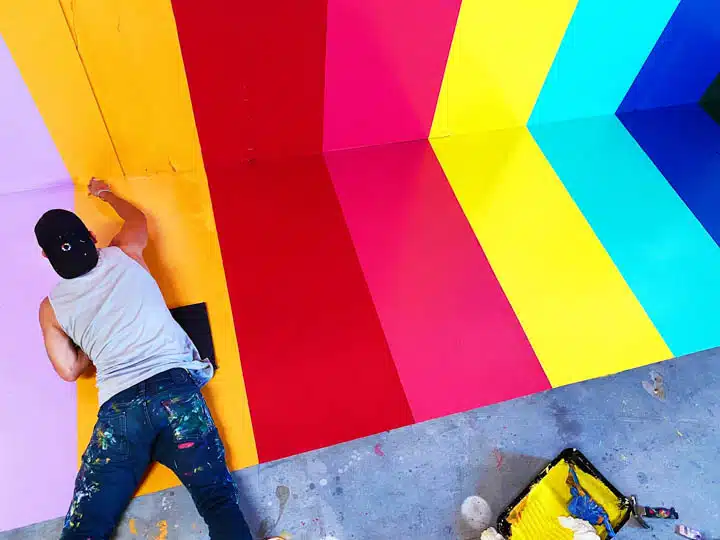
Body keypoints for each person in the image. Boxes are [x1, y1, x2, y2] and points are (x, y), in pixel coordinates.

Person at [36, 179, 276, 540]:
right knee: (216, 499)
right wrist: (104, 193)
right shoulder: (126, 250)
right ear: (92, 236)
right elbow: (136, 216)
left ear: (46, 257)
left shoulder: (51, 309)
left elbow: (69, 369)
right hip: (175, 397)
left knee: (87, 524)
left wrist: (91, 333)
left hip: (120, 413)